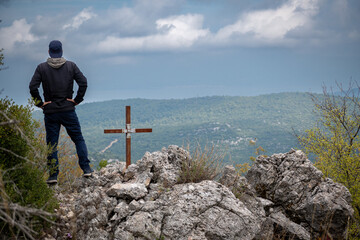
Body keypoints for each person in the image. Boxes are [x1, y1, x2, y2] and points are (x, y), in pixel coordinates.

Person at [29, 40, 93, 184]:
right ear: (62, 51)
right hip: (68, 109)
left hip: (50, 111)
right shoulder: (71, 66)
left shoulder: (42, 68)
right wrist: (76, 100)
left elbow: (33, 87)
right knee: (78, 139)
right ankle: (86, 169)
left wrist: (39, 103)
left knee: (52, 143)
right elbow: (83, 82)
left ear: (49, 52)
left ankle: (53, 176)